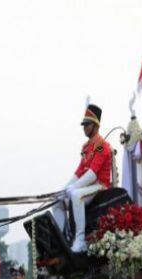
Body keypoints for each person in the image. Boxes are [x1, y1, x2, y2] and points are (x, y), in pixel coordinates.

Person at [52, 104, 113, 252]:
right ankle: (65, 237)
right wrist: (64, 189)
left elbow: (92, 174)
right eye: (84, 124)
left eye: (87, 124)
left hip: (99, 186)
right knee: (57, 202)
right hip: (86, 186)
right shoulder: (86, 147)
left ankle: (80, 239)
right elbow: (79, 171)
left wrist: (74, 187)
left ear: (96, 125)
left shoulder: (101, 146)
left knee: (76, 195)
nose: (84, 127)